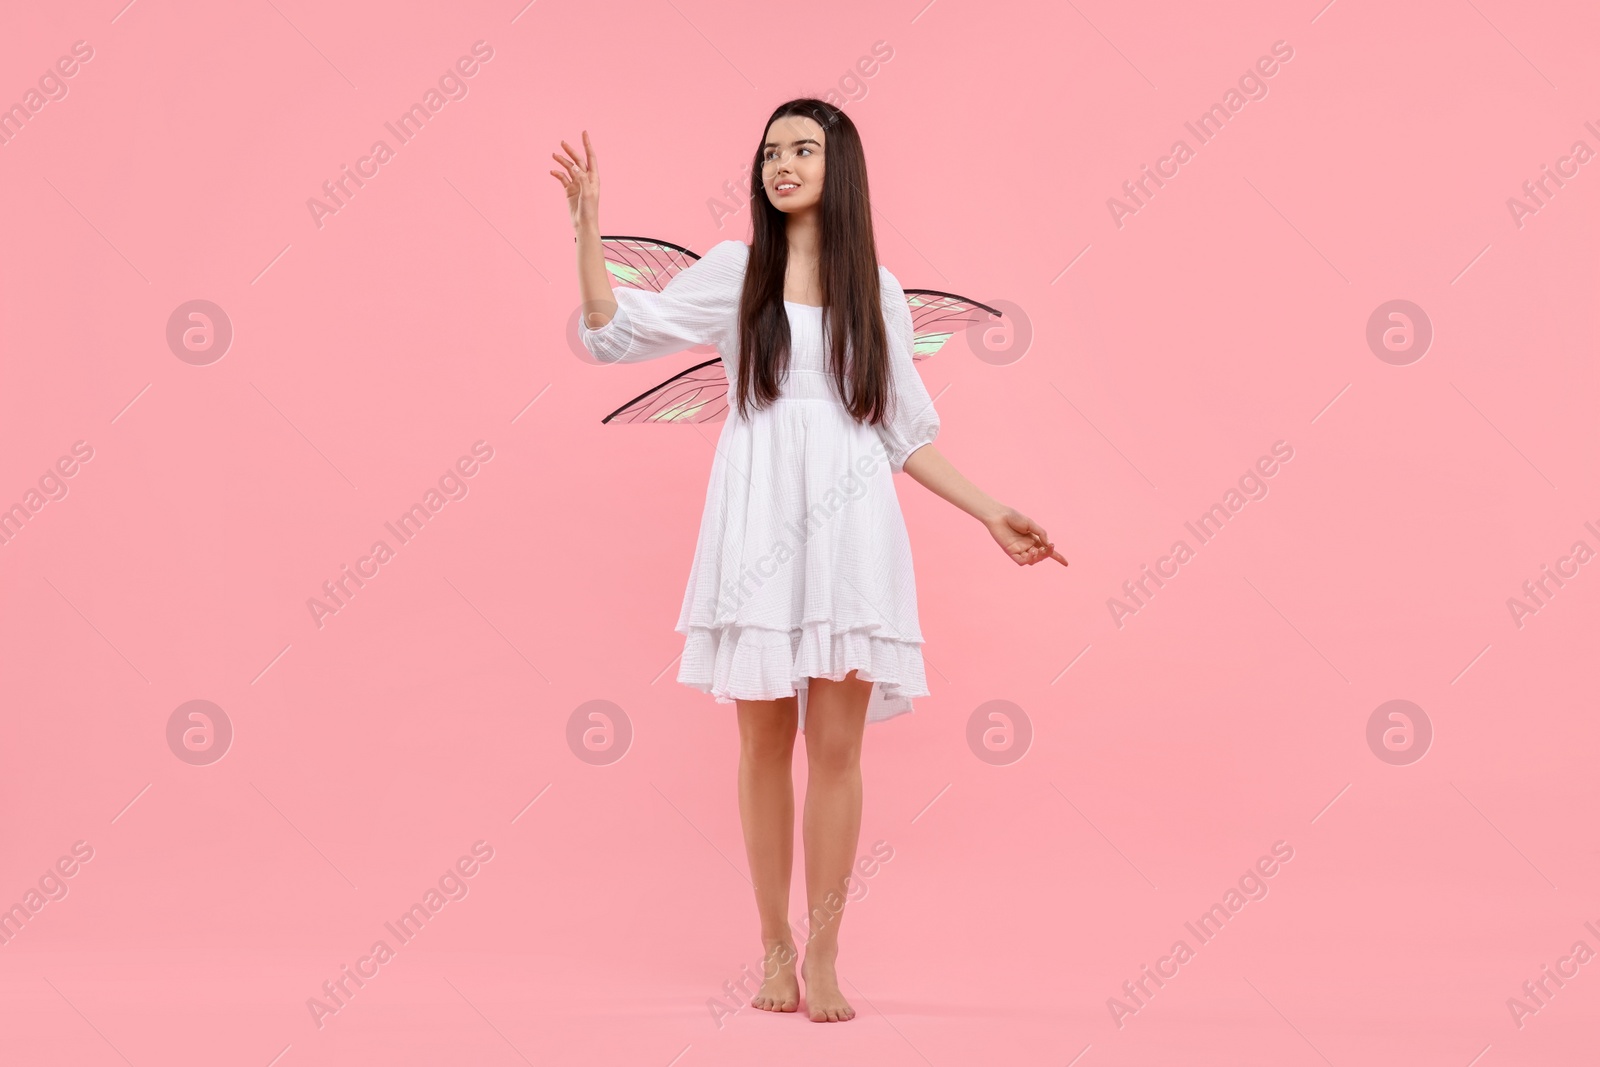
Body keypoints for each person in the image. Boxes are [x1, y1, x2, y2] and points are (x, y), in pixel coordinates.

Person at [553, 98, 1066, 1023]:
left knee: (836, 751)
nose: (780, 164)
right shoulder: (733, 272)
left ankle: (825, 947)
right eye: (769, 151)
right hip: (755, 529)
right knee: (760, 743)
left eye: (801, 149)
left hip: (850, 535)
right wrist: (588, 233)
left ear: (841, 167)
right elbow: (612, 333)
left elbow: (903, 434)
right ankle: (773, 943)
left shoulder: (877, 289)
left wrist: (991, 510)